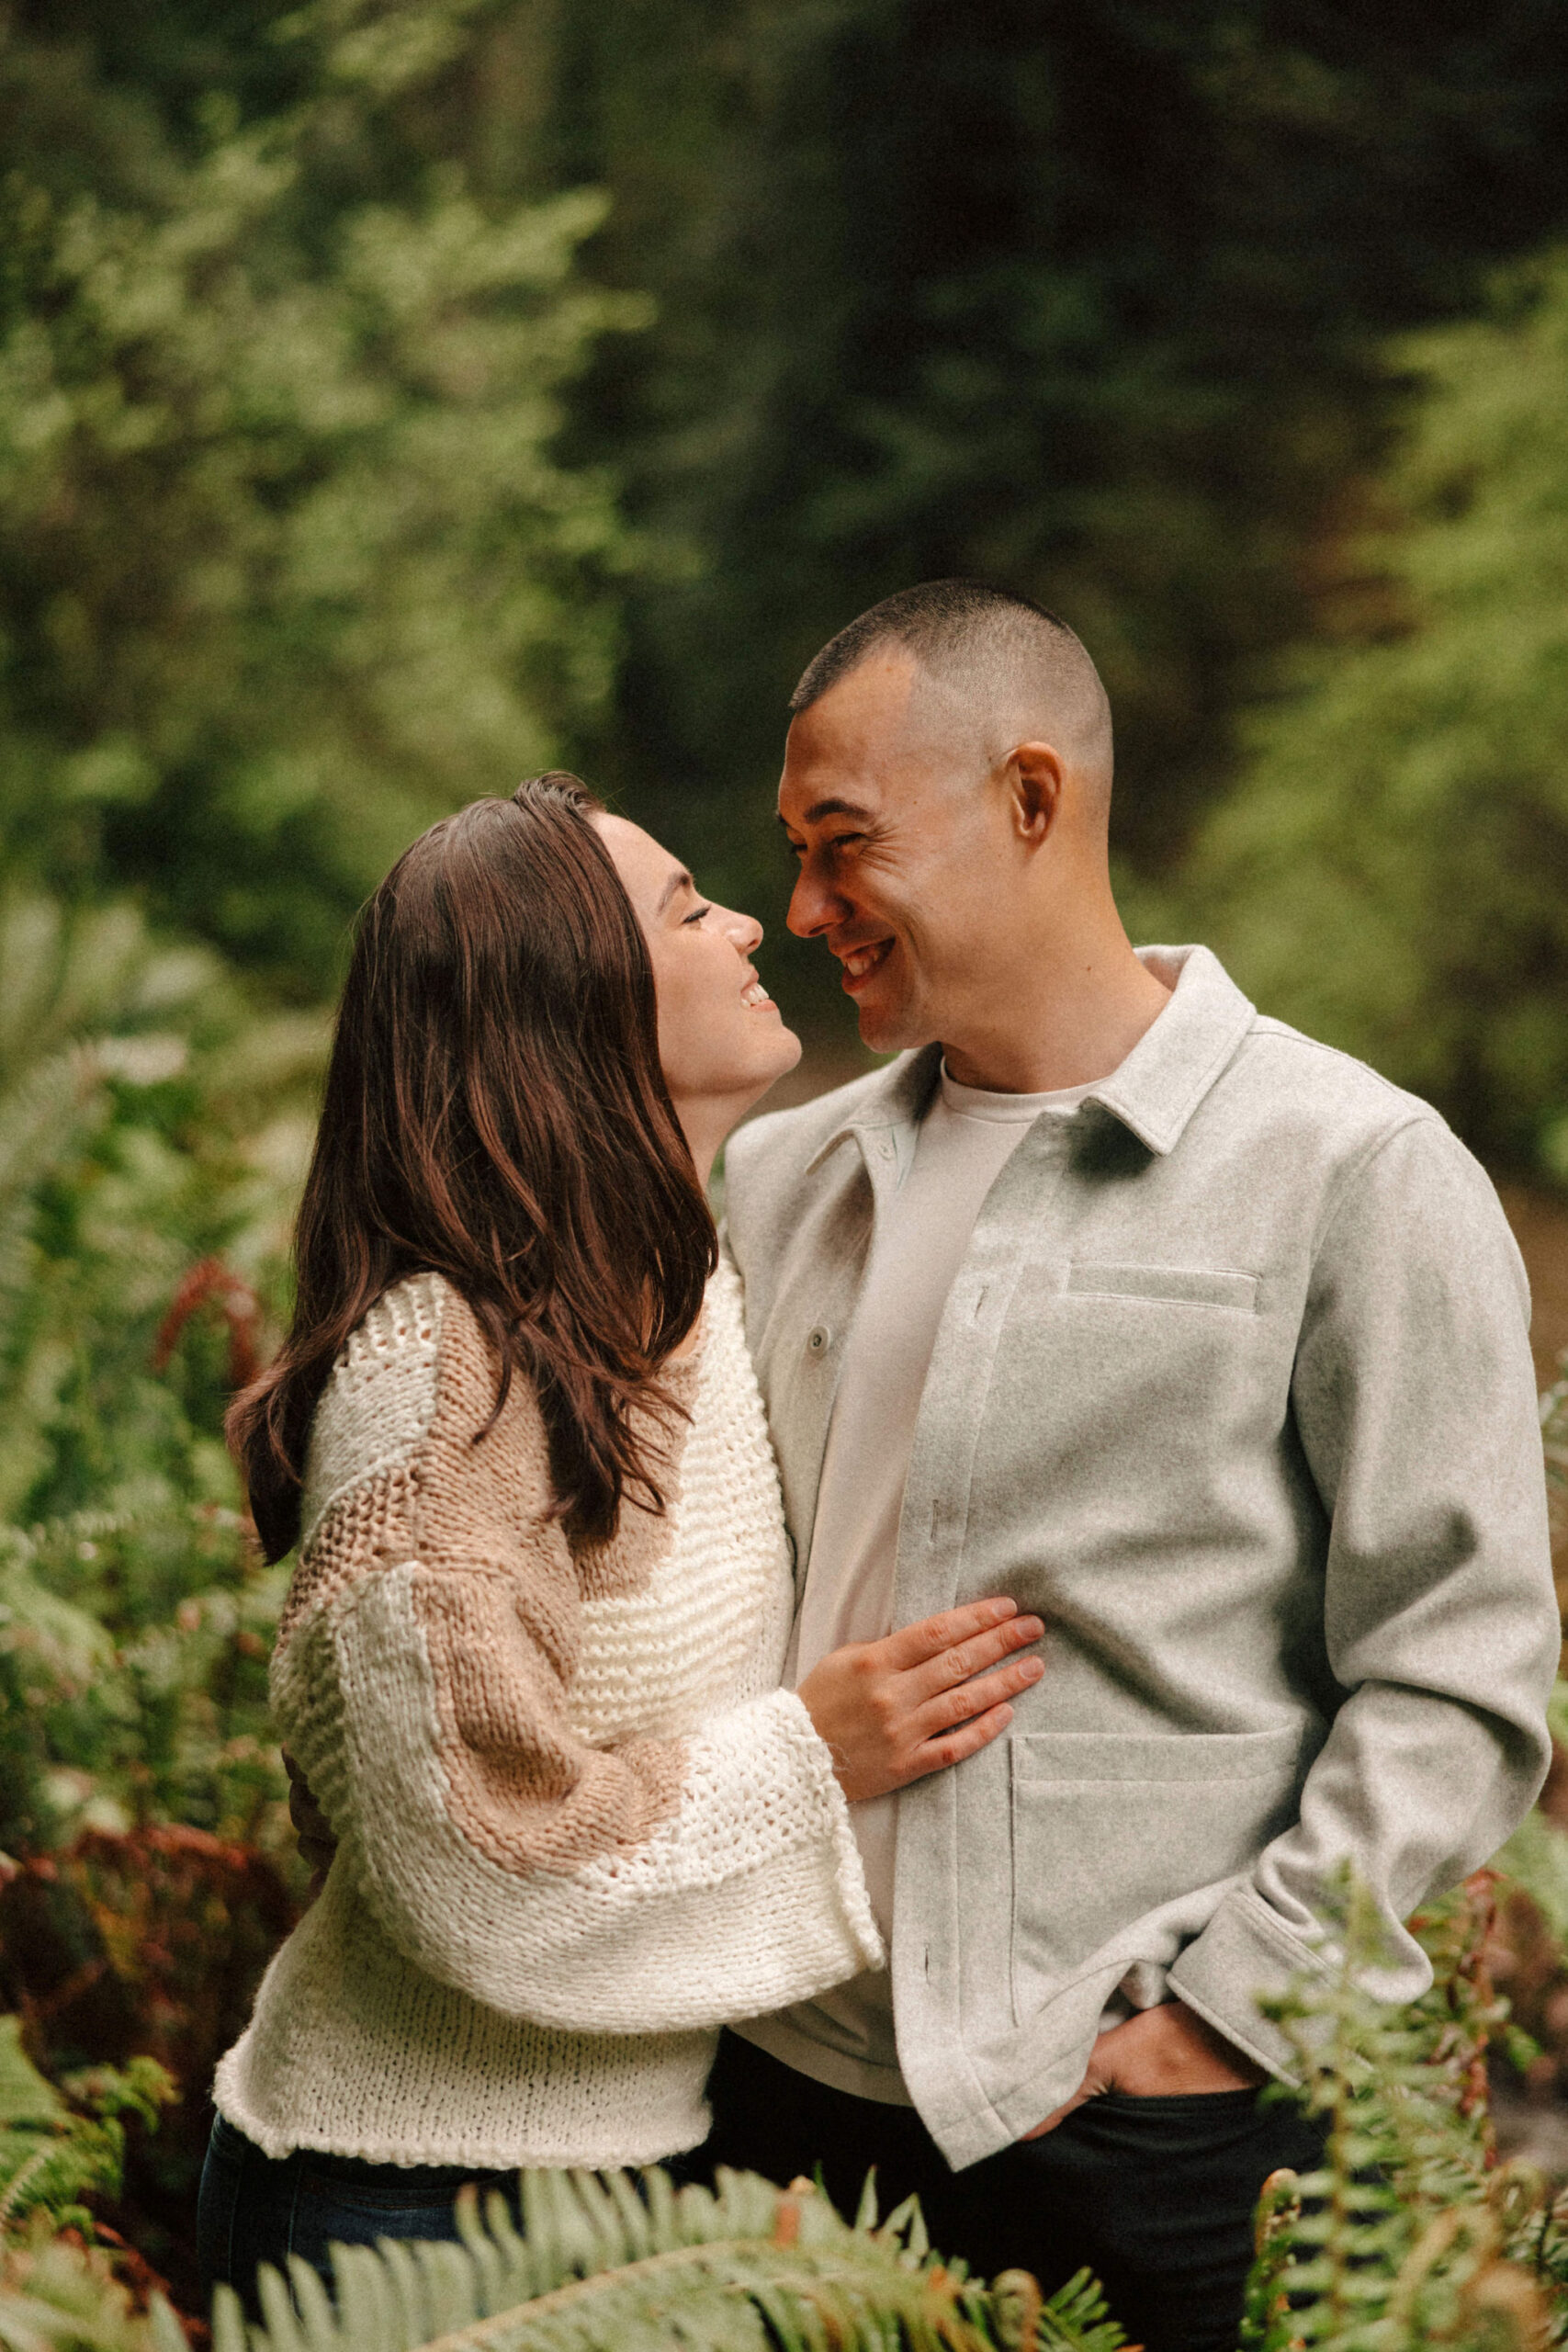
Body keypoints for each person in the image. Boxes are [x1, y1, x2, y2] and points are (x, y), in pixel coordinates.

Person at [700, 581, 1560, 2352]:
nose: (803, 912)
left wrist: (1219, 2025)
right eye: (788, 854)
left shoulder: (1356, 1170)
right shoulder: (782, 1181)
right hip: (781, 2105)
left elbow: (1461, 1679)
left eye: (843, 845)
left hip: (1150, 2121)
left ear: (1033, 798)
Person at [199, 775, 1046, 2311]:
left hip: (619, 2180)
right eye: (683, 908)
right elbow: (469, 1850)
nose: (748, 924)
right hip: (405, 2204)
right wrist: (816, 1755)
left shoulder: (678, 1284)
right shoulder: (439, 1372)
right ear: (567, 1000)